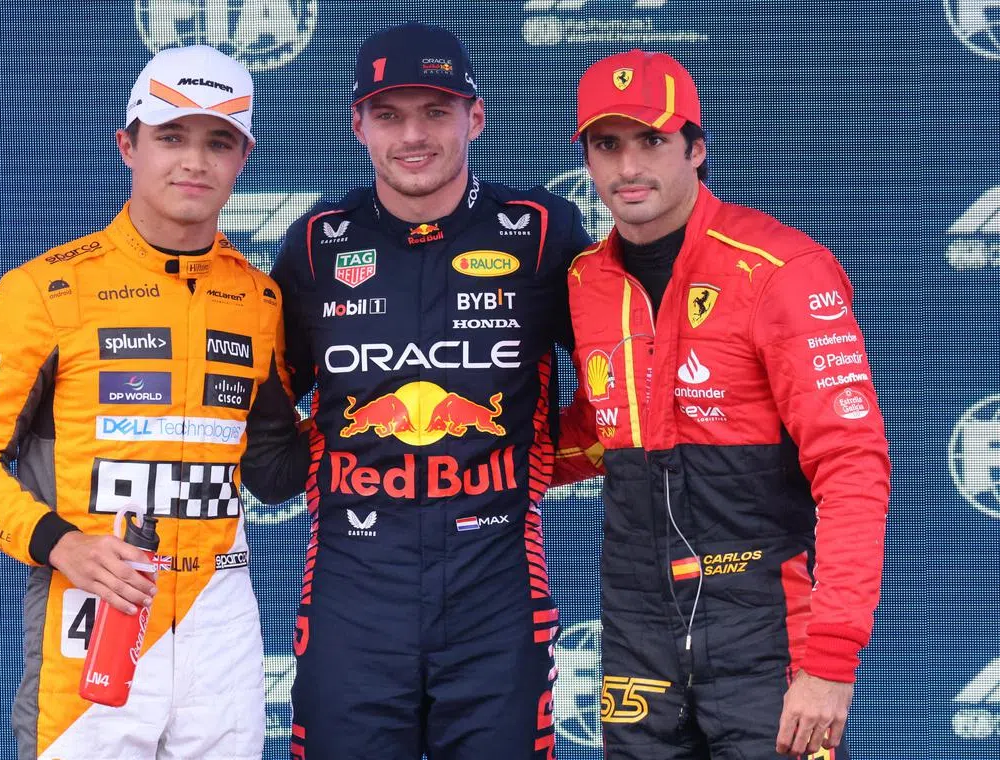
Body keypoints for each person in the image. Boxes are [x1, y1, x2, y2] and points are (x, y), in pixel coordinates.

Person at [0, 45, 302, 760]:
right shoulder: (43, 291)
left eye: (218, 141)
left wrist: (376, 411)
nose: (194, 161)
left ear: (244, 158)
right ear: (127, 146)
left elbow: (274, 468)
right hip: (91, 605)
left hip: (219, 615)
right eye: (171, 136)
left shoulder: (259, 299)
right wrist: (60, 543)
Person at [264, 21, 591, 760]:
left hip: (496, 596)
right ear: (358, 126)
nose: (413, 135)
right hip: (353, 594)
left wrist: (546, 457)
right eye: (389, 115)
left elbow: (626, 379)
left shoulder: (540, 232)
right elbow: (267, 410)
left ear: (476, 116)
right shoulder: (317, 244)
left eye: (435, 111)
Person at [553, 50, 891, 759]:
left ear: (696, 149)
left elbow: (852, 465)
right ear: (586, 158)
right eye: (607, 145)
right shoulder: (585, 281)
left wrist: (831, 661)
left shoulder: (781, 269)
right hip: (637, 637)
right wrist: (454, 457)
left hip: (767, 638)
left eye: (652, 140)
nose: (628, 167)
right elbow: (598, 429)